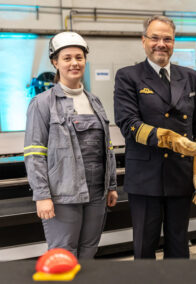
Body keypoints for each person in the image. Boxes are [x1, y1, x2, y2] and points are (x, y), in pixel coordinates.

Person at [113, 15, 196, 259]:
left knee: (179, 245)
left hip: (180, 174)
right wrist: (169, 138)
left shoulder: (189, 76)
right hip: (146, 177)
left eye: (167, 39)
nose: (161, 44)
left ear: (174, 42)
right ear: (143, 41)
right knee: (145, 246)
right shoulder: (128, 76)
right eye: (154, 38)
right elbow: (128, 123)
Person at [24, 32, 118, 258]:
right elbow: (35, 153)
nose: (74, 63)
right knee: (63, 253)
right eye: (67, 58)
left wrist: (112, 184)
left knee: (89, 250)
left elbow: (107, 147)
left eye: (79, 57)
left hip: (97, 191)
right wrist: (42, 195)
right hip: (62, 194)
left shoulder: (93, 100)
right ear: (55, 62)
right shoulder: (42, 103)